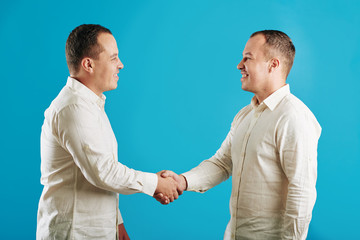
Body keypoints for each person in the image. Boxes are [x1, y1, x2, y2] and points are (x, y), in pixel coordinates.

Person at [156, 30, 322, 239]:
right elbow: (222, 163)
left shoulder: (294, 117)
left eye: (248, 58)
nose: (239, 65)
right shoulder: (245, 115)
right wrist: (182, 181)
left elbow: (302, 191)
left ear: (273, 64)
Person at [37, 24, 179, 240]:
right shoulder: (73, 108)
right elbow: (103, 172)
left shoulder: (90, 106)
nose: (121, 65)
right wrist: (156, 183)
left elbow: (99, 175)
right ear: (88, 64)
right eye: (113, 58)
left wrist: (118, 226)